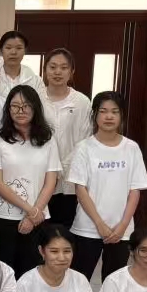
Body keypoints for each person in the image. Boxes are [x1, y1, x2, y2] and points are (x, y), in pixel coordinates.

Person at [68, 91, 147, 282]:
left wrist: (122, 226)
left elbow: (135, 190)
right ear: (95, 115)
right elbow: (80, 189)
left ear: (121, 116)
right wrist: (99, 224)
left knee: (113, 284)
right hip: (88, 227)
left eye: (115, 111)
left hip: (121, 231)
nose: (109, 116)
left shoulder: (131, 148)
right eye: (103, 111)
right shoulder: (84, 147)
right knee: (78, 281)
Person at [0, 85, 61, 277]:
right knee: (3, 274)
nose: (21, 110)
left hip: (38, 218)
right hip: (3, 217)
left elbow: (50, 181)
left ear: (35, 108)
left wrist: (34, 214)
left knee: (32, 273)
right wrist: (30, 210)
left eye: (26, 106)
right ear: (8, 109)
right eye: (15, 106)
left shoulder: (48, 140)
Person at [41, 48, 94, 229]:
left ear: (72, 71)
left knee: (66, 228)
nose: (58, 72)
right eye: (53, 67)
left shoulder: (82, 102)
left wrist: (60, 168)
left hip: (70, 177)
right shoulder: (36, 99)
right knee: (41, 228)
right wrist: (50, 168)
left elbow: (85, 140)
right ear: (45, 70)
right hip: (40, 174)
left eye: (64, 68)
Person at [15, 223, 97, 292]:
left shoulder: (80, 280)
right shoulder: (25, 284)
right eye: (54, 251)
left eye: (67, 251)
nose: (61, 258)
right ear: (41, 251)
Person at [0, 31, 43, 95]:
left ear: (25, 51)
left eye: (19, 48)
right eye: (8, 48)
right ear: (0, 51)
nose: (13, 52)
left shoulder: (35, 80)